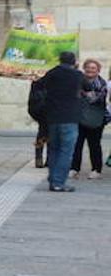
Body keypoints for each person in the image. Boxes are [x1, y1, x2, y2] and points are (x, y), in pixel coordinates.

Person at [40, 51, 86, 191]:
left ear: (60, 60)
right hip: (70, 118)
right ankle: (59, 182)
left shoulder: (52, 73)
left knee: (54, 149)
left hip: (53, 118)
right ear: (74, 62)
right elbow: (88, 87)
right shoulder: (77, 75)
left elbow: (40, 85)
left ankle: (53, 179)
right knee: (66, 151)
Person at [73, 58, 106, 179]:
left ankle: (96, 170)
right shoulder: (78, 81)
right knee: (77, 144)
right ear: (84, 69)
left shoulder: (102, 84)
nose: (90, 70)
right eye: (88, 67)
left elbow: (96, 99)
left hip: (95, 118)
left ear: (98, 71)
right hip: (79, 117)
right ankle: (74, 168)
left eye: (93, 68)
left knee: (94, 144)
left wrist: (82, 94)